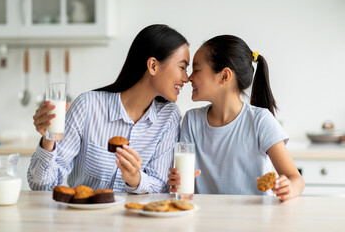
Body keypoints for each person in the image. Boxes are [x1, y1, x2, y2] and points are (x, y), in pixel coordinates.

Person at [29, 24, 190, 193]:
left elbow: (160, 186)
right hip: (85, 216)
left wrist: (135, 179)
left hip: (137, 218)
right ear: (153, 66)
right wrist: (48, 138)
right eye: (182, 67)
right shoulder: (87, 106)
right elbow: (41, 185)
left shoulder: (169, 116)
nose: (186, 78)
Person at [168, 35, 304, 202]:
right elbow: (183, 183)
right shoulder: (192, 120)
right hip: (206, 220)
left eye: (196, 70)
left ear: (224, 76)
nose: (189, 78)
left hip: (254, 220)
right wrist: (178, 181)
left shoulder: (260, 120)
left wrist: (288, 187)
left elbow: (295, 179)